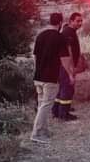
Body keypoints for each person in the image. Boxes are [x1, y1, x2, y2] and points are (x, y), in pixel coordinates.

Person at [31, 12, 74, 144]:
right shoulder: (60, 38)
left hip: (38, 76)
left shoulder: (40, 35)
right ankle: (36, 134)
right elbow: (64, 59)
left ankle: (44, 130)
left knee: (41, 105)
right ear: (60, 22)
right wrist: (70, 74)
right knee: (45, 105)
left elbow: (35, 56)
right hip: (50, 77)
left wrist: (37, 70)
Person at [52, 12, 85, 121]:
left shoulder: (70, 31)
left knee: (63, 88)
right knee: (68, 89)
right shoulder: (68, 33)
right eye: (77, 21)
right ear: (71, 21)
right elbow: (68, 53)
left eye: (81, 21)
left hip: (64, 65)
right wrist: (71, 70)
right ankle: (64, 114)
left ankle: (56, 110)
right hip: (65, 66)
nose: (80, 23)